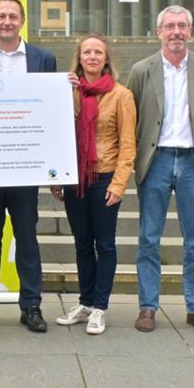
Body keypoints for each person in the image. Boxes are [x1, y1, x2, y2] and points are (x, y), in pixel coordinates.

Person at [126, 5, 194, 335]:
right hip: (156, 161)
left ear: (190, 31)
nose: (176, 32)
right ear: (159, 32)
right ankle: (148, 307)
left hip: (193, 161)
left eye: (182, 26)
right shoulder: (142, 70)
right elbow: (133, 116)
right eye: (170, 26)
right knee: (148, 238)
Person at [0, 0, 57, 333]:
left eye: (13, 16)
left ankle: (31, 306)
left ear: (22, 21)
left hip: (25, 166)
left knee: (27, 239)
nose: (7, 21)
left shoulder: (42, 58)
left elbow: (51, 109)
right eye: (1, 16)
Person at [51, 34, 136, 335]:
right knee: (82, 243)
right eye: (87, 52)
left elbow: (128, 143)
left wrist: (119, 183)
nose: (92, 57)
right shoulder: (69, 93)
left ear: (106, 58)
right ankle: (85, 301)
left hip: (105, 177)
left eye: (98, 52)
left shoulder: (121, 95)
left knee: (105, 244)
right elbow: (58, 134)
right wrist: (57, 177)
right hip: (75, 178)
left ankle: (100, 306)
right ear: (79, 58)